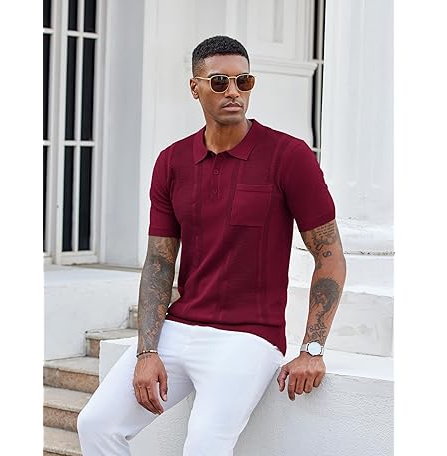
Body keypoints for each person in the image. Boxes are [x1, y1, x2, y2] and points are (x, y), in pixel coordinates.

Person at [77, 35, 346, 455]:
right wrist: (147, 350)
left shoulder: (289, 156)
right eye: (220, 82)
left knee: (204, 446)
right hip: (179, 327)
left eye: (244, 81)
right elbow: (159, 263)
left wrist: (312, 348)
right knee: (96, 424)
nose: (234, 92)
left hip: (249, 337)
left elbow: (329, 257)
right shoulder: (172, 161)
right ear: (195, 87)